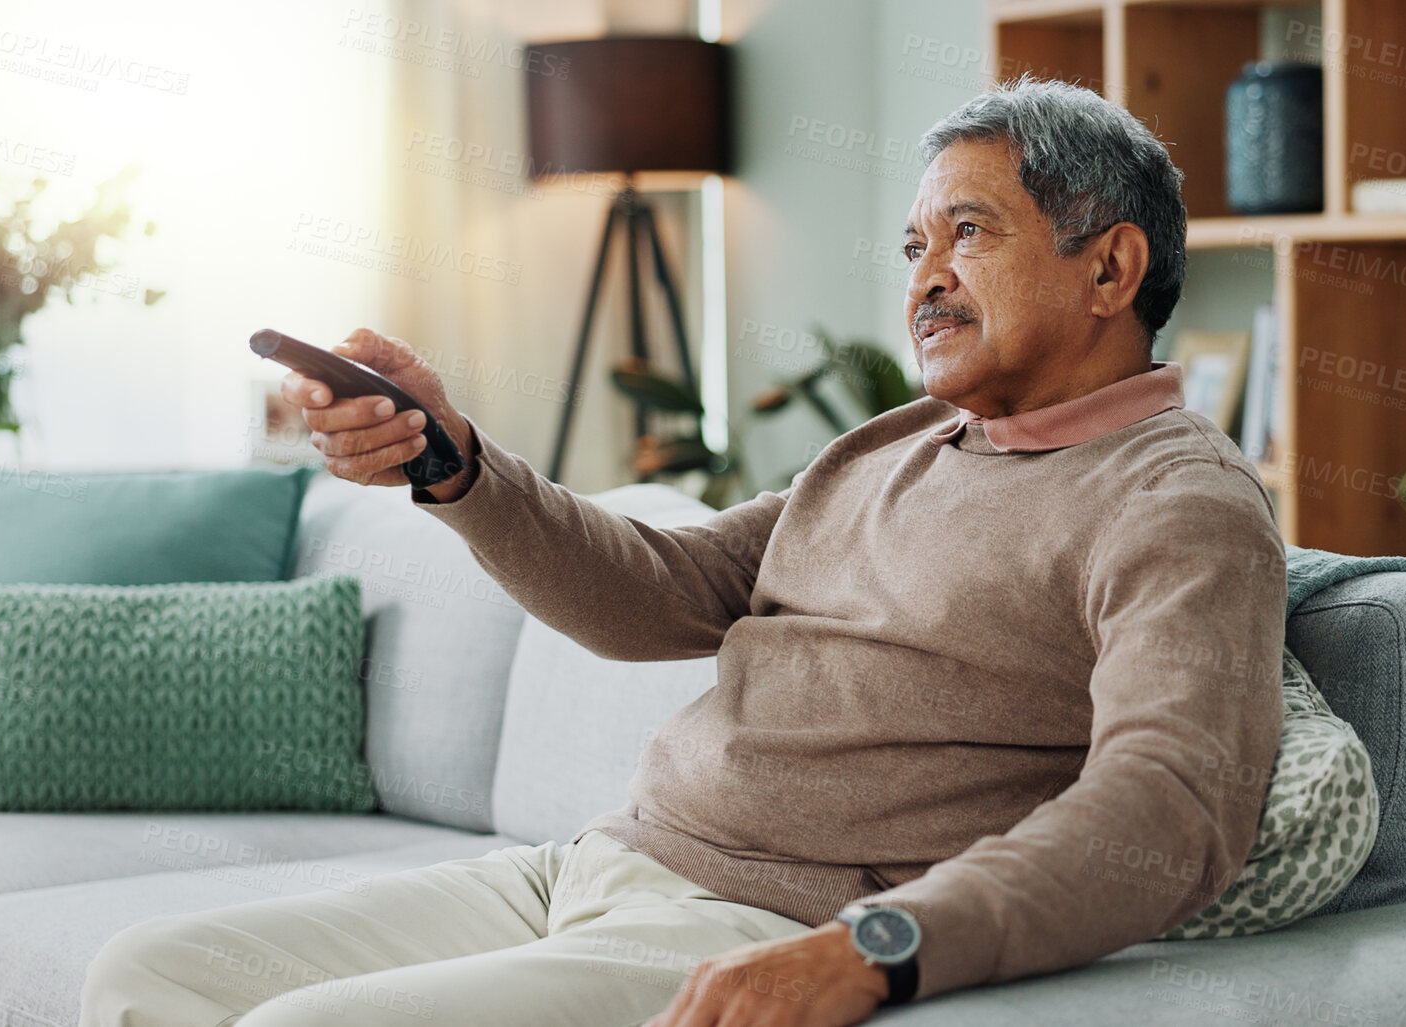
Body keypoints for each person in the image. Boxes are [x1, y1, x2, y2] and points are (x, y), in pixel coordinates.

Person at [80, 77, 1286, 1027]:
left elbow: (1170, 811)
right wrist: (453, 460)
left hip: (762, 919)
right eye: (913, 244)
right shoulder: (899, 444)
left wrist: (876, 947)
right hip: (595, 865)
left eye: (967, 233)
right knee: (149, 977)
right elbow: (653, 594)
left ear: (1111, 267)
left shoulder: (1176, 502)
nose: (924, 278)